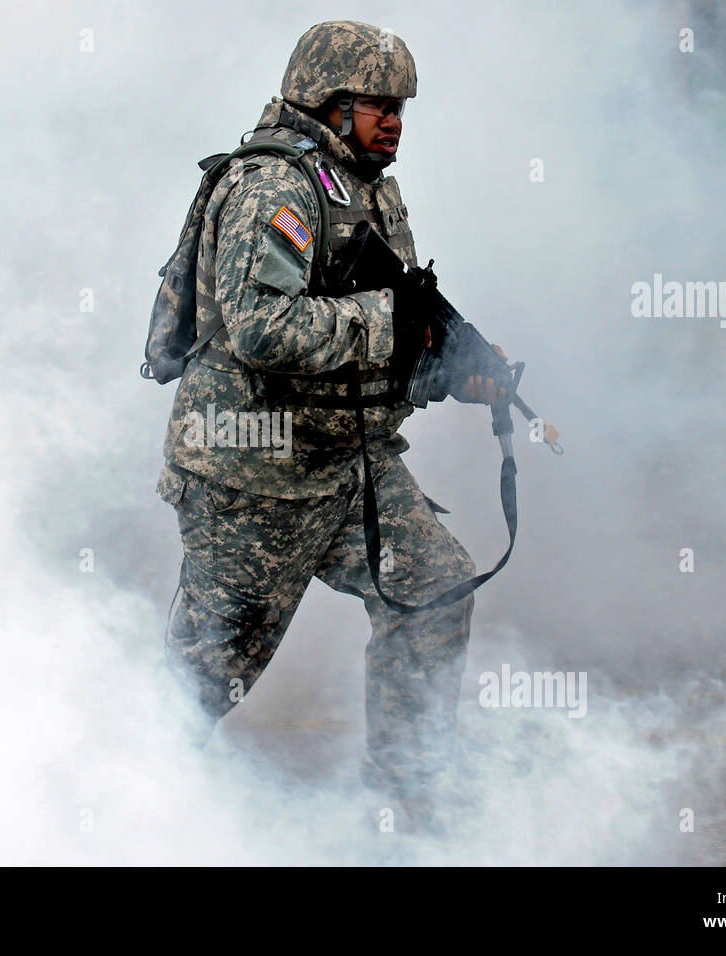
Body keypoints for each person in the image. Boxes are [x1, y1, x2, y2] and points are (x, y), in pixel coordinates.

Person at [154, 20, 507, 832]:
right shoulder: (274, 189)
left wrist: (452, 366)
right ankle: (106, 799)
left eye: (400, 108)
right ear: (326, 102)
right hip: (252, 477)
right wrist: (392, 320)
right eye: (377, 105)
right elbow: (260, 329)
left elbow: (387, 325)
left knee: (434, 592)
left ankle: (407, 800)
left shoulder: (371, 187)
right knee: (209, 673)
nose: (395, 123)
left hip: (345, 463)